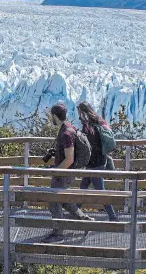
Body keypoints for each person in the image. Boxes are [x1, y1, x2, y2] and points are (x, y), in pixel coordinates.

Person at [41, 102, 95, 244]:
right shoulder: (68, 128)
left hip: (64, 174)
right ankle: (87, 222)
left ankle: (58, 234)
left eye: (50, 116)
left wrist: (55, 171)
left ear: (54, 116)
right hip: (65, 173)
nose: (50, 118)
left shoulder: (66, 133)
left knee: (54, 204)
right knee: (64, 202)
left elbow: (69, 158)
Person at [76, 101, 118, 222]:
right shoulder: (99, 121)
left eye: (79, 112)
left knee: (100, 191)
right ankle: (75, 212)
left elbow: (88, 144)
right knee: (83, 186)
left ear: (83, 112)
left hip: (94, 164)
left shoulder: (88, 126)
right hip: (100, 160)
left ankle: (113, 217)